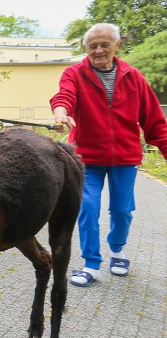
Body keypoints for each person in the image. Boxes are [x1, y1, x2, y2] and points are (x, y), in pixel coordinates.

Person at [50, 23, 167, 288]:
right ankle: (91, 264)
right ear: (86, 49)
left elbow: (155, 122)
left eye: (104, 44)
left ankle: (117, 250)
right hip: (86, 158)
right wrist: (60, 112)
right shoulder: (75, 74)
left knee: (122, 210)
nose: (99, 50)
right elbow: (64, 96)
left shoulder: (134, 77)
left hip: (125, 158)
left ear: (117, 45)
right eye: (93, 46)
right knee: (87, 208)